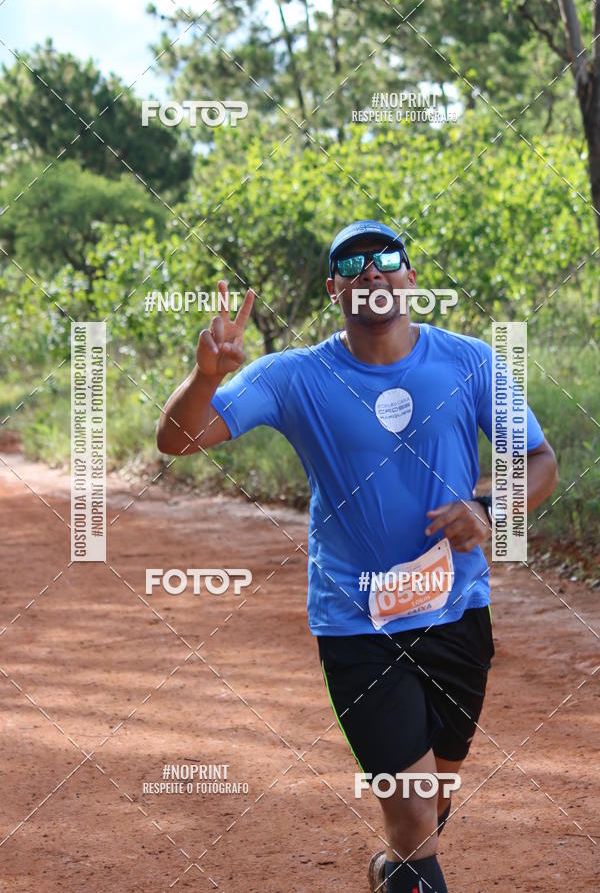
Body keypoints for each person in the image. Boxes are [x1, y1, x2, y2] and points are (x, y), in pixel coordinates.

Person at [156, 220, 559, 892]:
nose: (370, 270)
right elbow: (178, 439)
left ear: (410, 278)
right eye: (351, 263)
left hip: (458, 611)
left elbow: (540, 460)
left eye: (385, 258)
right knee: (416, 822)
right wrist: (204, 377)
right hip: (357, 623)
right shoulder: (294, 376)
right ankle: (406, 857)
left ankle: (392, 866)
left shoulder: (470, 362)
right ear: (333, 289)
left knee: (434, 801)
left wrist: (489, 510)